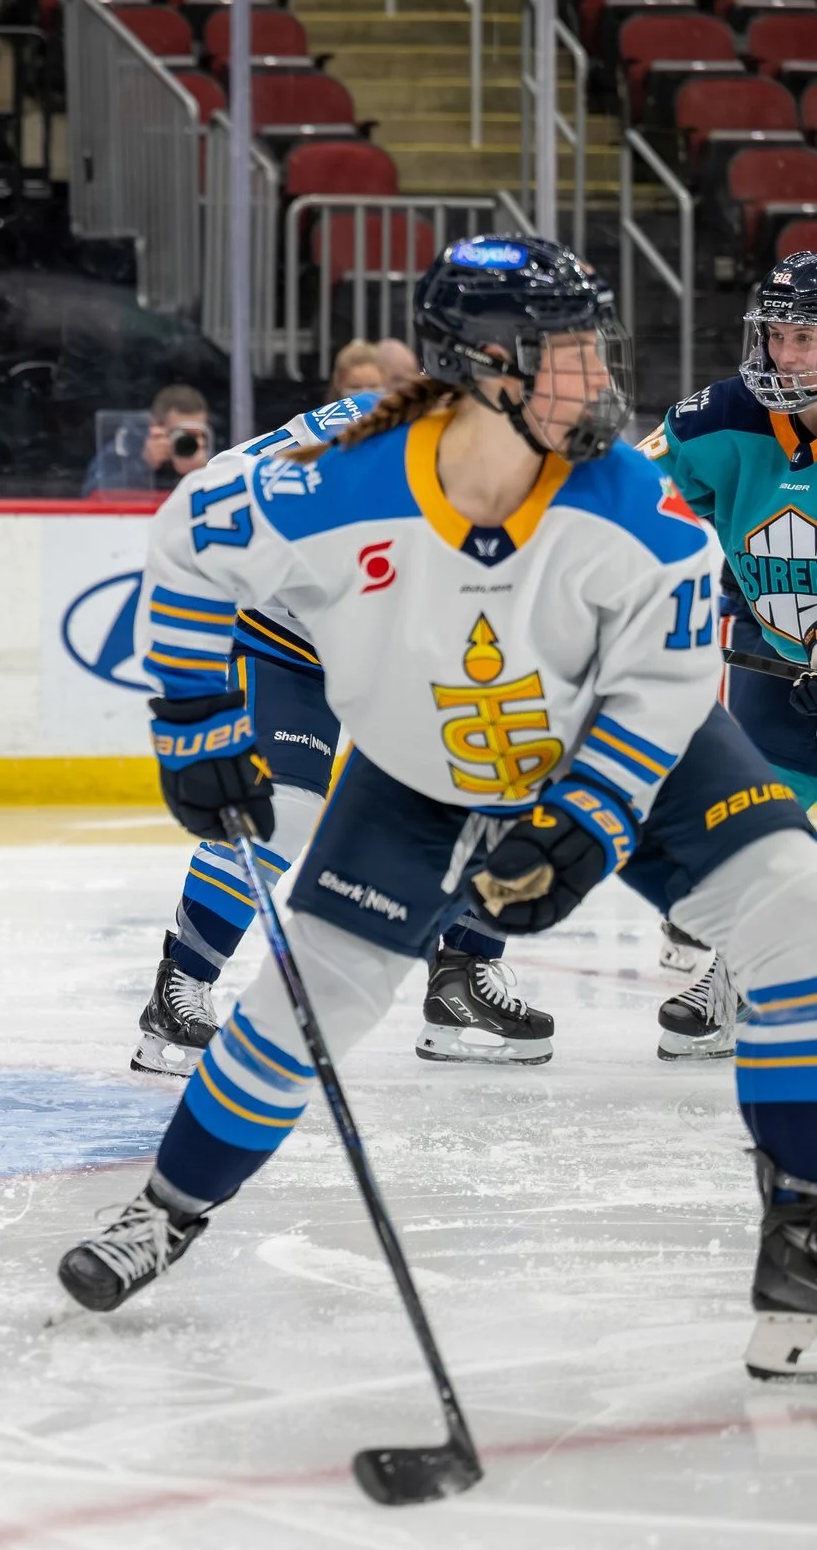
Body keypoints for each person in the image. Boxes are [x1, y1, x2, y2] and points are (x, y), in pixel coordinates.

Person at [56, 235, 817, 1386]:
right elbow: (188, 541)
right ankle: (166, 1207)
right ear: (483, 362)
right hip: (421, 771)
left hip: (627, 747)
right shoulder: (344, 466)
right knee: (304, 1002)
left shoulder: (627, 492)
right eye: (564, 349)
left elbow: (668, 676)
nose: (594, 374)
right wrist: (193, 722)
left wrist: (589, 816)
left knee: (797, 921)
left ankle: (802, 1237)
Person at [126, 391, 549, 1080]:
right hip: (289, 639)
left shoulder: (545, 458)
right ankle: (181, 990)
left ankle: (463, 978)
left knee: (504, 774)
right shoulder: (367, 432)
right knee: (284, 810)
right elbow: (207, 502)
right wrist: (192, 700)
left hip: (407, 646)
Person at [641, 249, 817, 1057]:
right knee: (756, 842)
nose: (786, 356)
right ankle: (739, 972)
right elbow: (631, 497)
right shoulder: (717, 419)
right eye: (778, 335)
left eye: (806, 339)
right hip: (771, 664)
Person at [82, 382, 214, 494]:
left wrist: (203, 472)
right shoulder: (123, 450)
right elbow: (94, 494)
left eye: (198, 434)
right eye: (182, 433)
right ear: (156, 427)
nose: (188, 441)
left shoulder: (212, 460)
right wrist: (144, 465)